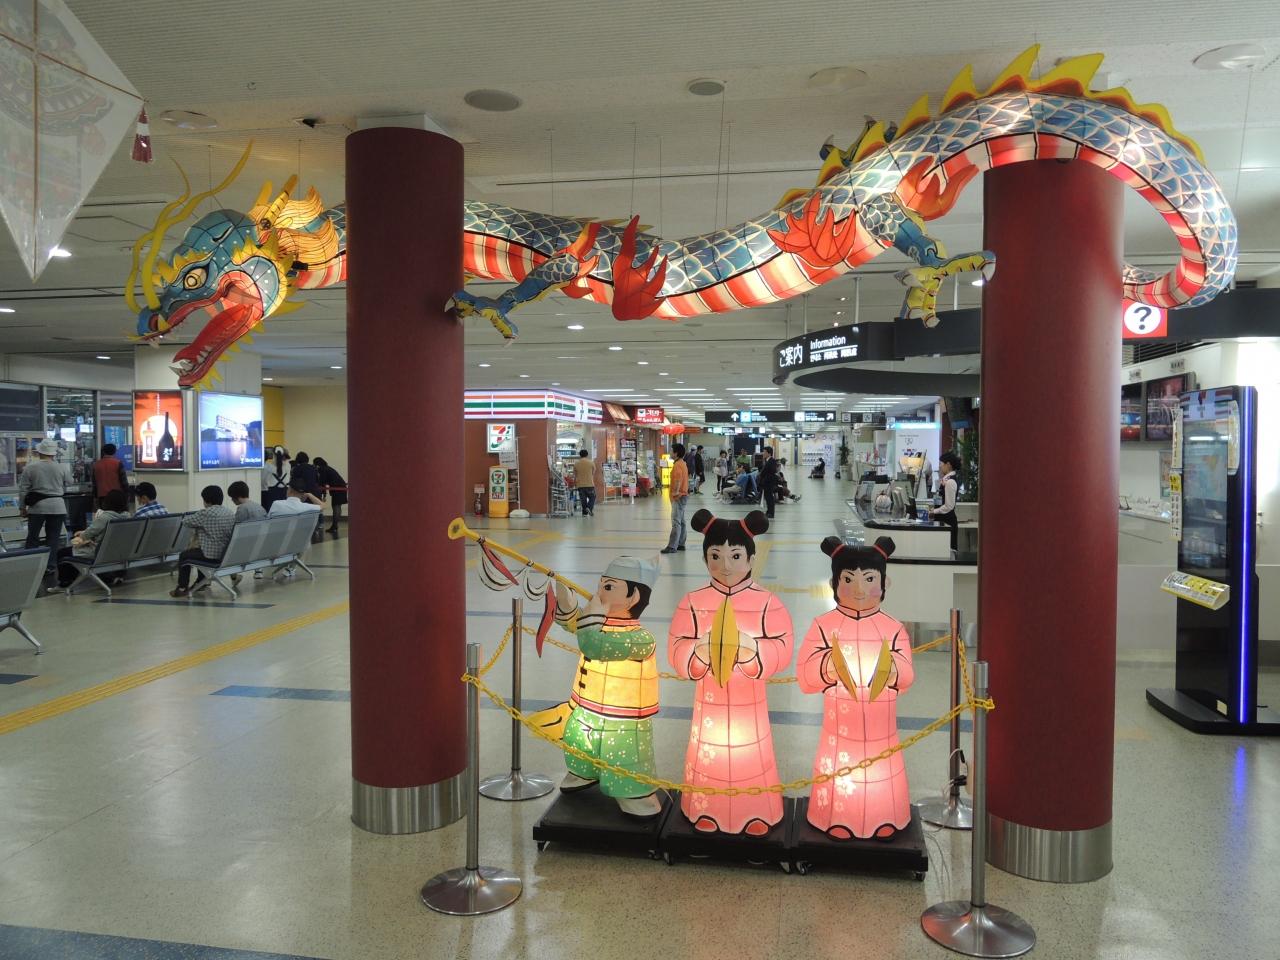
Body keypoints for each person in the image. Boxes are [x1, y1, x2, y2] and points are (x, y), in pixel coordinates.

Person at [668, 510, 793, 835]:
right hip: (708, 702)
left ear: (751, 558)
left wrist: (753, 651)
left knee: (751, 757)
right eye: (716, 556)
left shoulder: (767, 602)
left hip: (749, 703)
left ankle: (756, 811)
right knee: (710, 757)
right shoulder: (692, 602)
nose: (726, 565)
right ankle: (705, 809)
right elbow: (676, 647)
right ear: (705, 558)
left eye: (735, 556)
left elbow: (783, 646)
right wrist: (697, 652)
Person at [797, 536, 915, 839]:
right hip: (839, 729)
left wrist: (893, 671)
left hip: (881, 727)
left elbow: (907, 677)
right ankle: (837, 815)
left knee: (882, 767)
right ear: (833, 583)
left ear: (885, 583)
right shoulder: (823, 625)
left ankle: (884, 814)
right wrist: (827, 666)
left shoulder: (893, 628)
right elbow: (805, 678)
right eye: (848, 579)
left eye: (869, 579)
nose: (859, 589)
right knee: (840, 769)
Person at [550, 556, 663, 818]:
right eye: (601, 585)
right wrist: (567, 604)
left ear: (633, 597)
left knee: (623, 756)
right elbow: (578, 626)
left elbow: (594, 644)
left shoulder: (641, 638)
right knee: (579, 742)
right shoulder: (599, 623)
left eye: (609, 587)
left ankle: (634, 794)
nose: (599, 592)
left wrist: (590, 616)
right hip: (585, 706)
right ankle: (584, 772)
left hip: (623, 718)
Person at [52, 489, 130, 589]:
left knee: (63, 553)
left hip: (99, 553)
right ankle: (113, 576)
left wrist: (81, 534)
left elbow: (87, 535)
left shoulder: (105, 517)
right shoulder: (127, 516)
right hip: (119, 553)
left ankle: (65, 583)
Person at [171, 485, 235, 597]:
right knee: (199, 551)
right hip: (225, 553)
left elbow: (186, 521)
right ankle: (201, 582)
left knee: (185, 556)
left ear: (206, 500)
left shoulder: (206, 513)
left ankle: (182, 587)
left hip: (211, 555)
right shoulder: (229, 512)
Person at [18, 438, 67, 573]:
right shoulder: (61, 467)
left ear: (39, 452)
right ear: (53, 453)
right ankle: (50, 566)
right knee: (53, 538)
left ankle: (31, 565)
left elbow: (23, 490)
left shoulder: (30, 467)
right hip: (58, 506)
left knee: (33, 537)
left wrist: (22, 507)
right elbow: (69, 481)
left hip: (37, 507)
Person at [660, 443, 689, 554]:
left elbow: (677, 480)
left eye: (671, 451)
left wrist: (675, 492)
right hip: (683, 495)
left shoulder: (677, 465)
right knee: (681, 521)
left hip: (679, 496)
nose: (670, 453)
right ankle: (681, 544)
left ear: (676, 453)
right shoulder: (683, 463)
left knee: (676, 521)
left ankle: (672, 546)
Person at [930, 451, 961, 552]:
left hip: (948, 522)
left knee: (948, 553)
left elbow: (949, 506)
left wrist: (933, 511)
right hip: (943, 521)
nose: (940, 466)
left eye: (941, 464)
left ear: (948, 465)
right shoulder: (945, 480)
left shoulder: (950, 482)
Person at [313, 457, 347, 534]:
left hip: (338, 489)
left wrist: (320, 491)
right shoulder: (327, 468)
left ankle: (334, 526)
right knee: (337, 506)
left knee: (336, 507)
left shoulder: (322, 469)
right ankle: (335, 526)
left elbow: (322, 482)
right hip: (341, 488)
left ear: (317, 464)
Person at [92, 443, 128, 507]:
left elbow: (94, 483)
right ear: (114, 451)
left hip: (102, 496)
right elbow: (124, 481)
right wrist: (126, 493)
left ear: (103, 452)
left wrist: (95, 497)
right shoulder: (118, 463)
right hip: (116, 496)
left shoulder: (96, 465)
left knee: (104, 513)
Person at [262, 445, 290, 510]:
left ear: (273, 454)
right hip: (284, 492)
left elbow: (263, 481)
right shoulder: (288, 465)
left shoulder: (267, 466)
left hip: (272, 493)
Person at [573, 448, 597, 517]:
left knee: (583, 499)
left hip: (580, 484)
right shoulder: (591, 462)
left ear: (580, 455)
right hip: (589, 484)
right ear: (587, 455)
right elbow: (593, 472)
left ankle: (584, 513)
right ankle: (589, 508)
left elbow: (575, 474)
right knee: (592, 497)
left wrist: (575, 483)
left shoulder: (576, 464)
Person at [759, 445, 781, 519]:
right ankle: (768, 511)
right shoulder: (767, 461)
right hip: (766, 482)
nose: (763, 453)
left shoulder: (772, 461)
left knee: (770, 498)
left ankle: (771, 513)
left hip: (769, 482)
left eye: (764, 452)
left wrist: (762, 475)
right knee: (768, 497)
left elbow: (771, 471)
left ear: (769, 453)